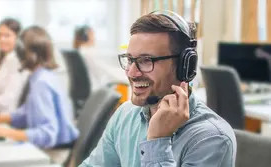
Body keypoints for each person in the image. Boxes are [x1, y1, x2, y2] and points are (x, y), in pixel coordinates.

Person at [79, 11, 236, 167]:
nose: (132, 73)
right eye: (130, 60)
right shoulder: (125, 115)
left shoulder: (212, 139)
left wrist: (157, 140)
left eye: (146, 60)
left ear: (184, 66)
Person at [0, 25, 79, 162]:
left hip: (53, 154)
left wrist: (1, 131)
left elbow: (47, 134)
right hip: (52, 148)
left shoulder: (41, 83)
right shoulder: (42, 75)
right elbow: (28, 112)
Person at [0, 18, 29, 114]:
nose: (2, 39)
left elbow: (8, 100)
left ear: (18, 39)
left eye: (7, 35)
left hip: (7, 117)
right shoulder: (1, 58)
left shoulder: (18, 63)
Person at [73, 25, 126, 91]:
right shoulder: (87, 52)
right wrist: (123, 75)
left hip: (89, 88)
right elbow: (103, 71)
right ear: (86, 37)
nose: (94, 38)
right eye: (92, 35)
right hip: (95, 89)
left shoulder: (81, 50)